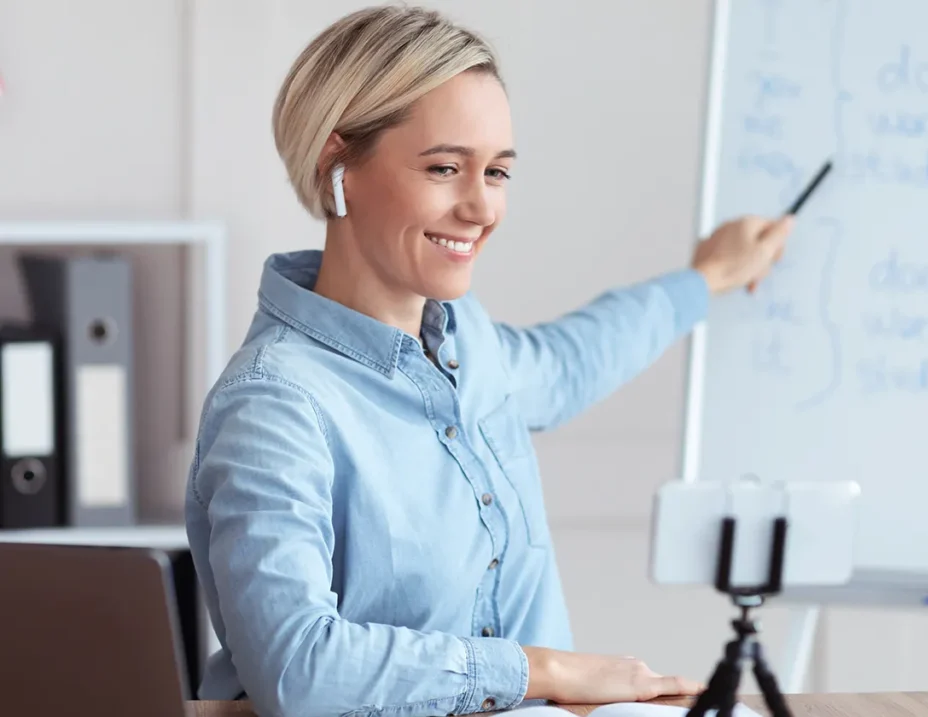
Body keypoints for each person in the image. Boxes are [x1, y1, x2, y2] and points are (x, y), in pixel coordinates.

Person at [184, 5, 794, 717]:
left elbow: (568, 364)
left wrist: (706, 278)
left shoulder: (465, 341)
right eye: (445, 168)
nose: (481, 207)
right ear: (336, 163)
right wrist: (547, 669)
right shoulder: (275, 402)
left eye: (497, 172)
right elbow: (299, 665)